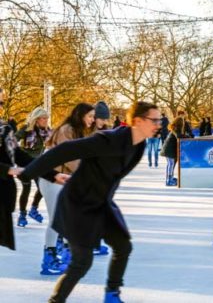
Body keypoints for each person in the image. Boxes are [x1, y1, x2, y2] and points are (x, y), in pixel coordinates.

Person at [18, 101, 162, 303]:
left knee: (123, 246)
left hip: (101, 203)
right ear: (138, 121)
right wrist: (29, 173)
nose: (159, 124)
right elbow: (63, 151)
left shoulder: (139, 145)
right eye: (154, 120)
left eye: (160, 120)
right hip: (78, 203)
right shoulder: (108, 140)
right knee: (82, 262)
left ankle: (112, 295)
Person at [38, 103, 95, 273]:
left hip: (63, 179)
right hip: (52, 178)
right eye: (90, 116)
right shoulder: (67, 130)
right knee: (56, 219)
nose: (92, 120)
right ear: (81, 115)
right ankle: (49, 258)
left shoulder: (77, 131)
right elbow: (68, 156)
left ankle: (61, 250)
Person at [1, 114, 65, 256]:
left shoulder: (4, 129)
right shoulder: (18, 129)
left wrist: (52, 174)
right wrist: (6, 169)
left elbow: (18, 155)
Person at [15, 106, 50, 228]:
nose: (46, 120)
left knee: (43, 187)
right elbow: (12, 140)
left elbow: (56, 142)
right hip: (24, 163)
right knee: (26, 188)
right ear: (37, 119)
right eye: (44, 118)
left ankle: (33, 209)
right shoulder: (26, 129)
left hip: (37, 163)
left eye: (47, 118)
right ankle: (22, 215)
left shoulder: (46, 131)